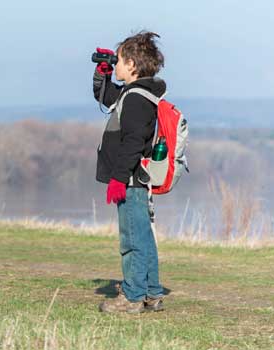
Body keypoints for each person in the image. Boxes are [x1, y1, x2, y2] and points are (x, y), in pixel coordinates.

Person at [92, 31, 166, 313]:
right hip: (135, 179)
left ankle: (133, 298)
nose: (117, 64)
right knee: (143, 236)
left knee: (132, 239)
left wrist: (119, 178)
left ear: (133, 65)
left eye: (120, 60)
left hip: (131, 179)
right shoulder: (136, 93)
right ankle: (151, 292)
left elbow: (134, 141)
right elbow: (105, 96)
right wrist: (103, 74)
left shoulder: (136, 99)